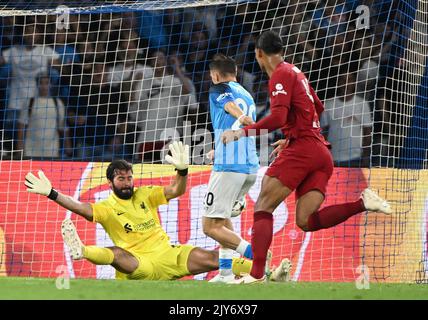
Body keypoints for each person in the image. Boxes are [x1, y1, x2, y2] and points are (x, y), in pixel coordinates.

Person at [222, 31, 392, 284]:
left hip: (303, 149)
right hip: (321, 154)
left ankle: (256, 274)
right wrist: (292, 134)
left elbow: (279, 118)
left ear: (259, 54)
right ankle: (362, 204)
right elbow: (318, 106)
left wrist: (242, 132)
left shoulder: (280, 74)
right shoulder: (296, 72)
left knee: (263, 207)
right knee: (306, 220)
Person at [24, 141, 253, 280]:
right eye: (121, 179)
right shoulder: (106, 207)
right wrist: (52, 193)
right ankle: (82, 250)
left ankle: (265, 270)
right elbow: (79, 207)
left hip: (168, 255)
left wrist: (182, 171)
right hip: (141, 264)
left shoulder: (145, 194)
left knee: (216, 257)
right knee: (116, 254)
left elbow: (176, 190)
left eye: (129, 178)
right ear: (110, 182)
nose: (127, 183)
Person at [203, 53, 265, 283]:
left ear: (215, 75)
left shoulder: (217, 88)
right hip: (249, 165)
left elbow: (229, 107)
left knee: (210, 226)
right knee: (223, 222)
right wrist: (217, 149)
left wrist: (241, 117)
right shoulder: (247, 94)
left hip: (230, 167)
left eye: (212, 75)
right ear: (236, 72)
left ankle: (258, 257)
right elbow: (235, 127)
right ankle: (226, 273)